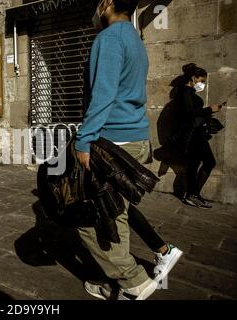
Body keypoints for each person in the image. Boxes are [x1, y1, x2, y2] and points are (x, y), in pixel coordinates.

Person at [75, 0, 182, 300]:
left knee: (90, 220)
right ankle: (119, 284)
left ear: (107, 3)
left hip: (112, 143)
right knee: (115, 215)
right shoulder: (134, 37)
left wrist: (84, 139)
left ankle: (133, 282)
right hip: (132, 138)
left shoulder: (109, 38)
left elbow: (104, 94)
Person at [174, 63, 222, 208]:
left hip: (195, 133)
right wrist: (209, 109)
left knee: (194, 164)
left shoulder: (189, 93)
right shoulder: (185, 92)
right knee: (208, 162)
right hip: (193, 135)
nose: (203, 84)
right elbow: (189, 113)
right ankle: (192, 194)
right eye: (202, 81)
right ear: (194, 78)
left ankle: (192, 195)